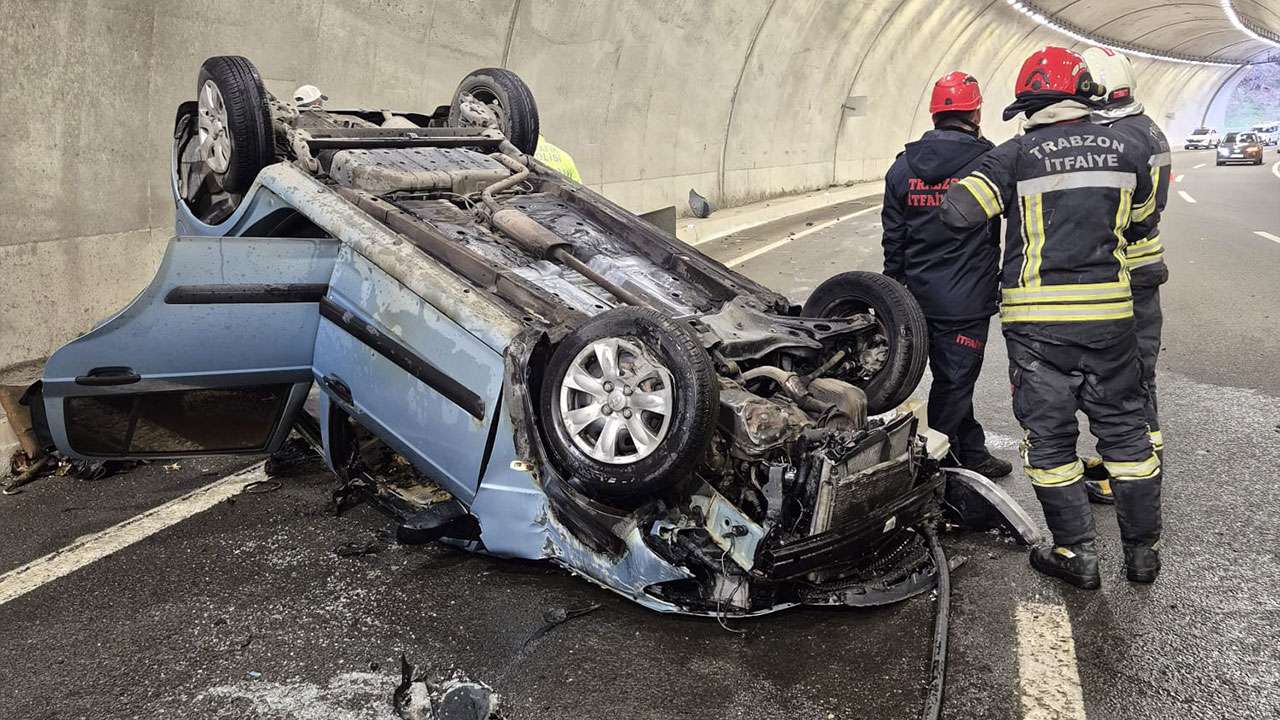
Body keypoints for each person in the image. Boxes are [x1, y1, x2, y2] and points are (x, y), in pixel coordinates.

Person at [940, 46, 1163, 588]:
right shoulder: (1127, 147)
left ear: (1028, 103)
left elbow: (957, 212)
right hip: (1111, 321)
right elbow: (1142, 221)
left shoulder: (1015, 155)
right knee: (1126, 434)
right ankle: (1142, 556)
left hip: (1039, 330)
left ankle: (1075, 555)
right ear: (1084, 94)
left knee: (1051, 441)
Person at [881, 72, 1011, 480]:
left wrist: (892, 295)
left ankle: (971, 449)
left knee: (954, 378)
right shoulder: (989, 164)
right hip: (966, 299)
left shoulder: (902, 168)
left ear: (934, 113)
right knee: (954, 382)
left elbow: (894, 240)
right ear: (976, 113)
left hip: (916, 299)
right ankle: (933, 471)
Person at [1079, 47, 1172, 504]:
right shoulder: (1146, 127)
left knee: (1129, 377)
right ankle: (1130, 462)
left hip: (1125, 270)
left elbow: (1120, 216)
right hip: (1143, 267)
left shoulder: (1117, 140)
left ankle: (1133, 472)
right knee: (1137, 374)